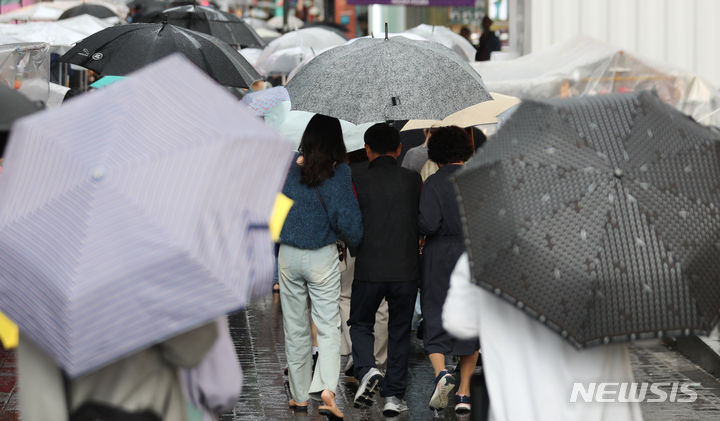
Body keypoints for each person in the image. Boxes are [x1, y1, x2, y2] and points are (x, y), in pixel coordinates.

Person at [443, 254, 644, 421]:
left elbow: (458, 323)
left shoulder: (488, 251)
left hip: (522, 407)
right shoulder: (613, 255)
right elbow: (643, 328)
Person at [278, 114, 363, 420]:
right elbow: (346, 217)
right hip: (321, 256)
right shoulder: (338, 173)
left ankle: (299, 397)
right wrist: (356, 239)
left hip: (287, 254)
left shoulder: (287, 165)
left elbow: (276, 205)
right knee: (327, 326)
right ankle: (326, 391)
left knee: (295, 327)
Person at [348, 123, 422, 416]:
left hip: (369, 265)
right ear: (399, 148)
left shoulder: (356, 176)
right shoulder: (413, 179)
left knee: (361, 322)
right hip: (406, 267)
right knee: (400, 331)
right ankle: (394, 397)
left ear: (367, 150)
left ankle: (366, 368)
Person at [17, 323, 218, 421]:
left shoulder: (36, 300)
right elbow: (194, 349)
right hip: (150, 409)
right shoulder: (146, 264)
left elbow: (40, 401)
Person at [418, 126, 479, 414]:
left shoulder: (432, 183)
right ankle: (464, 393)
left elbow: (428, 224)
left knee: (435, 311)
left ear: (436, 153)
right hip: (472, 254)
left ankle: (442, 374)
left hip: (439, 254)